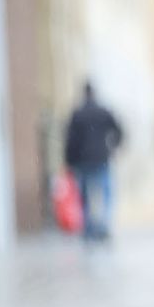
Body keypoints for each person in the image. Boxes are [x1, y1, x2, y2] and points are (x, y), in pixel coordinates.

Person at [64, 83, 125, 241]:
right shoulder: (103, 111)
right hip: (101, 159)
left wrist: (69, 162)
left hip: (83, 161)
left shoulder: (77, 114)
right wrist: (114, 146)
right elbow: (119, 130)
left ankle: (88, 228)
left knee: (84, 196)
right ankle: (104, 224)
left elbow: (70, 141)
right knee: (106, 193)